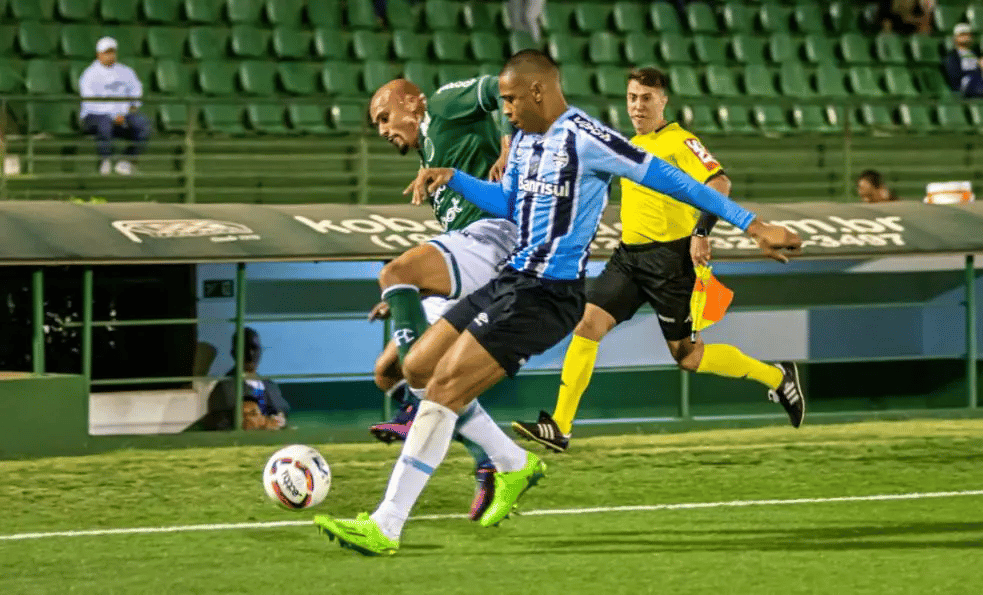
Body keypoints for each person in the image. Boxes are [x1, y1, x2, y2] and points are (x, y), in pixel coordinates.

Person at [312, 50, 801, 556]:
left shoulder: (586, 138)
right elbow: (511, 205)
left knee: (442, 389)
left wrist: (754, 224)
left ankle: (386, 525)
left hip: (549, 294)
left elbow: (671, 178)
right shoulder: (523, 141)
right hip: (512, 280)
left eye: (509, 100)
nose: (504, 111)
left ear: (538, 92)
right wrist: (456, 179)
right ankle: (514, 465)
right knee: (416, 367)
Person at [510, 67, 805, 453]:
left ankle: (776, 375)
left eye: (646, 98)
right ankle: (560, 427)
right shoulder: (628, 145)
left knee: (687, 356)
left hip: (672, 262)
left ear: (663, 100)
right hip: (629, 258)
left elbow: (719, 183)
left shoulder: (681, 141)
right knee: (587, 325)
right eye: (632, 98)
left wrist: (701, 232)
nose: (637, 106)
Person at [364, 76, 518, 522]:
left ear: (412, 101)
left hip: (495, 239)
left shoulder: (447, 105)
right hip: (464, 254)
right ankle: (491, 457)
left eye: (384, 117)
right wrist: (406, 297)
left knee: (395, 272)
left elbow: (503, 87)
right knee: (388, 370)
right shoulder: (429, 151)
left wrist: (510, 146)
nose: (382, 130)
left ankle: (420, 413)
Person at [78, 36, 151, 176]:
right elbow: (91, 103)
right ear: (99, 54)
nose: (110, 55)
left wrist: (127, 111)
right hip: (95, 116)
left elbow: (136, 91)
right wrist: (113, 115)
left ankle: (128, 161)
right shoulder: (89, 75)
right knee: (104, 123)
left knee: (143, 124)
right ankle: (105, 160)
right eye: (107, 52)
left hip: (123, 115)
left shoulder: (125, 71)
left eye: (112, 52)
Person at [199, 327, 290, 431]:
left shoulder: (269, 385)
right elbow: (217, 423)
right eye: (245, 349)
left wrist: (277, 420)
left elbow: (282, 411)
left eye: (254, 348)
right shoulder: (225, 389)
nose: (250, 354)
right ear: (234, 354)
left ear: (260, 351)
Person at [944, 24, 983, 98]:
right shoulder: (952, 56)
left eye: (968, 34)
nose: (966, 37)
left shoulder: (975, 54)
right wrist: (978, 68)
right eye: (962, 35)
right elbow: (955, 75)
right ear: (955, 37)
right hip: (969, 84)